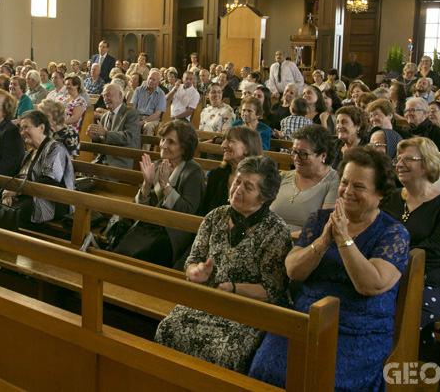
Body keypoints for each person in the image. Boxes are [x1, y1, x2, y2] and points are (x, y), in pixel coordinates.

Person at [249, 147, 409, 391]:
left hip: (358, 328)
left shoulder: (393, 232)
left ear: (381, 194)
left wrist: (344, 239)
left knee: (325, 382)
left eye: (360, 187)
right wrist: (324, 240)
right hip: (306, 317)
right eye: (345, 182)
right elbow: (293, 270)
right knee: (266, 369)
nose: (347, 191)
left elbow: (370, 284)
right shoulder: (320, 219)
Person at [154, 156, 292, 374]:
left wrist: (233, 289)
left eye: (248, 187)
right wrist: (195, 272)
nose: (237, 190)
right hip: (210, 300)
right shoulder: (215, 217)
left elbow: (273, 290)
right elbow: (192, 261)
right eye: (237, 182)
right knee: (169, 328)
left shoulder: (276, 232)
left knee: (227, 352)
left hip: (249, 311)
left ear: (265, 197)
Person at [384, 137, 440, 335]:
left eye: (408, 159)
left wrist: (388, 262)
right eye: (398, 159)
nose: (399, 164)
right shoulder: (390, 197)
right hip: (384, 276)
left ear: (428, 165)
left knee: (387, 322)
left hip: (429, 282)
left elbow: (439, 249)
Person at [113, 120, 205, 268]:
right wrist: (147, 184)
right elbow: (138, 209)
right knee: (119, 255)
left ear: (184, 148)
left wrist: (166, 186)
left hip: (170, 233)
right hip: (148, 226)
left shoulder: (193, 171)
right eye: (163, 139)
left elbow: (188, 212)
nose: (163, 145)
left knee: (139, 259)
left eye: (171, 142)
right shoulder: (156, 165)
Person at [1, 110, 75, 228]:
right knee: (1, 205)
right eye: (21, 129)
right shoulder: (30, 153)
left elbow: (49, 183)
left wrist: (18, 191)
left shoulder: (55, 148)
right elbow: (19, 177)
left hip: (53, 203)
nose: (22, 132)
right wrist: (9, 192)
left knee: (11, 211)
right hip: (31, 197)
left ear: (41, 127)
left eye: (26, 127)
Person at [271, 125, 340, 234]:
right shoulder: (284, 176)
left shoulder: (335, 181)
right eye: (294, 152)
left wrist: (281, 239)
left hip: (302, 245)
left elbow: (323, 226)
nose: (296, 158)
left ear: (323, 156)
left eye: (303, 154)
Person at [86, 83, 140, 168]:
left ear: (120, 95)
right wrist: (95, 137)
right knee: (81, 174)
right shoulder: (105, 116)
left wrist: (105, 133)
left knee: (95, 177)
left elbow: (128, 137)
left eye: (108, 95)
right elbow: (103, 142)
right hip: (102, 160)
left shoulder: (130, 113)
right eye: (104, 96)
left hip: (120, 161)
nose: (105, 99)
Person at [132, 69, 167, 139]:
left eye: (153, 80)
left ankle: (145, 150)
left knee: (147, 127)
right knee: (131, 124)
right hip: (138, 116)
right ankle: (132, 148)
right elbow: (133, 108)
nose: (150, 81)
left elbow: (157, 114)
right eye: (150, 78)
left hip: (152, 118)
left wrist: (144, 121)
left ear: (158, 82)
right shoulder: (138, 90)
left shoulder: (161, 94)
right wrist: (134, 119)